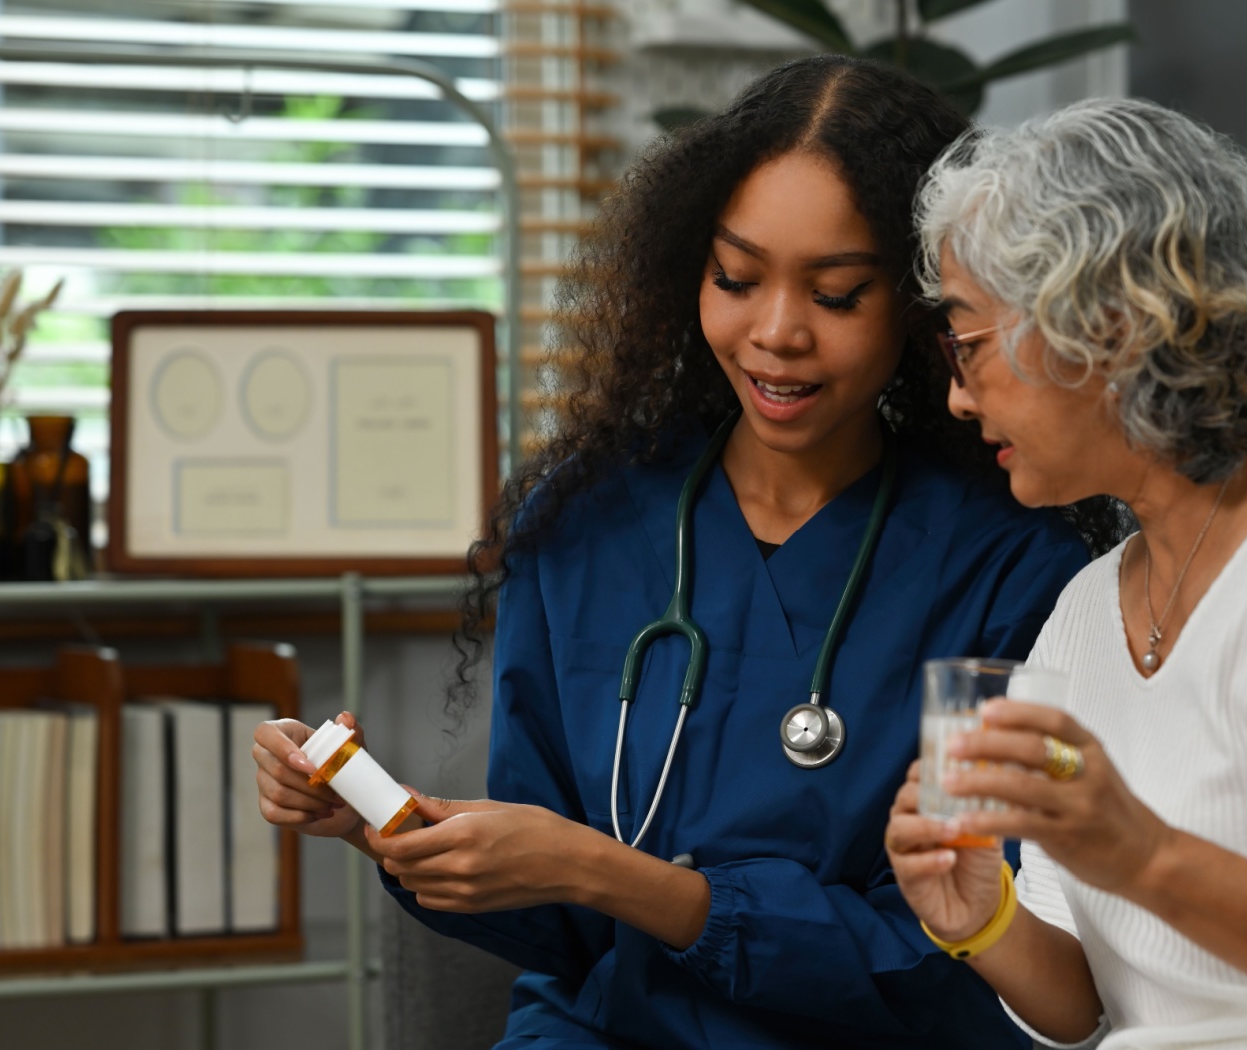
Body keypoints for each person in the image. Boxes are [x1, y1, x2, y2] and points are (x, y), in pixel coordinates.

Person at [253, 57, 1108, 1048]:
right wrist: (385, 823)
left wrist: (626, 881)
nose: (775, 334)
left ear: (922, 310)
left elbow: (971, 962)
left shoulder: (1011, 573)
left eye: (836, 295)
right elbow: (564, 931)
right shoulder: (584, 527)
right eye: (735, 279)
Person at [886, 97, 1247, 1049]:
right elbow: (1088, 1010)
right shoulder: (1086, 612)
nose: (958, 396)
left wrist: (1152, 858)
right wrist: (984, 918)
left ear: (1110, 327)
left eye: (967, 341)